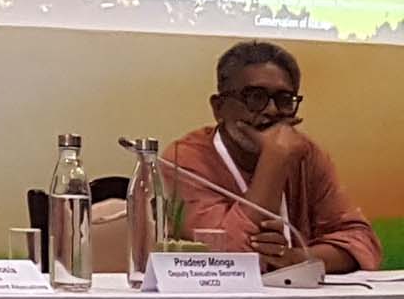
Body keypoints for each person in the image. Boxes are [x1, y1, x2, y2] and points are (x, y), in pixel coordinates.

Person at [163, 40, 380, 273]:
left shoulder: (305, 154)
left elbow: (362, 243)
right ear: (219, 108)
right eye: (255, 97)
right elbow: (227, 262)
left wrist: (295, 258)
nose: (272, 110)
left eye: (284, 100)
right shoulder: (182, 160)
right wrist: (274, 160)